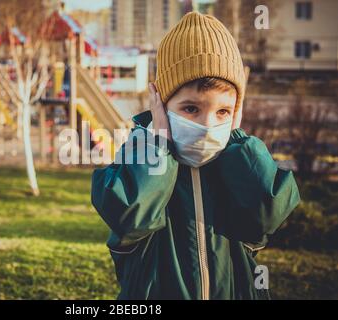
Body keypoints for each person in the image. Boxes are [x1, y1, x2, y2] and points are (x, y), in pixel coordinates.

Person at [91, 11, 300, 300]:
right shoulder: (141, 154)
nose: (207, 125)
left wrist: (236, 140)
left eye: (223, 111)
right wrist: (160, 144)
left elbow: (268, 210)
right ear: (161, 105)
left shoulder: (238, 163)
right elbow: (131, 214)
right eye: (191, 109)